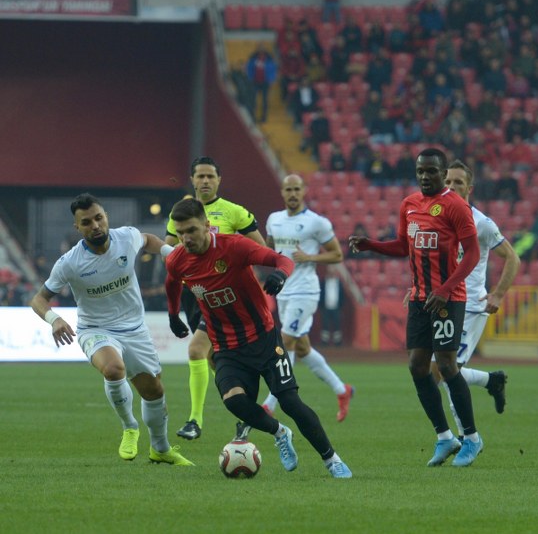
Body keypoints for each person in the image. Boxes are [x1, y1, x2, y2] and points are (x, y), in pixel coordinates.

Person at [164, 198, 352, 478]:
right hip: (226, 346)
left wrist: (280, 274)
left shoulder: (233, 246)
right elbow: (171, 283)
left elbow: (282, 259)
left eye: (191, 230)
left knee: (290, 402)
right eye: (180, 233)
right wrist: (172, 314)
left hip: (263, 339)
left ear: (207, 225)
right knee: (233, 400)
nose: (185, 238)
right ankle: (279, 433)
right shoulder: (178, 259)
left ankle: (331, 459)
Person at [30, 193, 193, 466]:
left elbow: (149, 239)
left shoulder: (126, 238)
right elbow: (38, 298)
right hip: (96, 329)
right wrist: (54, 319)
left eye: (98, 218)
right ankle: (130, 427)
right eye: (86, 222)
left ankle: (160, 449)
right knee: (114, 369)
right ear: (77, 228)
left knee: (153, 391)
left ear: (105, 217)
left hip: (135, 329)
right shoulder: (70, 262)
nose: (95, 225)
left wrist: (169, 253)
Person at [349, 148, 483, 467]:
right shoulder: (408, 204)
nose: (425, 177)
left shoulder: (456, 206)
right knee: (416, 366)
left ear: (441, 172)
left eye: (431, 171)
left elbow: (473, 254)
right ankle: (444, 437)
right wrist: (372, 246)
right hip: (421, 299)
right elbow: (402, 245)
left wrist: (447, 288)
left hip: (449, 299)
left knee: (448, 366)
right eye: (420, 171)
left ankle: (473, 439)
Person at [164, 156, 266, 442]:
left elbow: (260, 248)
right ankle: (247, 414)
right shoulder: (180, 214)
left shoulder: (234, 212)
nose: (205, 181)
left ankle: (194, 421)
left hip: (224, 297)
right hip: (193, 295)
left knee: (196, 349)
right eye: (200, 176)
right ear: (192, 180)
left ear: (219, 180)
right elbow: (170, 252)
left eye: (211, 176)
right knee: (213, 359)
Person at [252, 174, 353, 422]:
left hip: (306, 291)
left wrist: (310, 258)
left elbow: (337, 255)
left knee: (285, 341)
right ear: (283, 192)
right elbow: (270, 249)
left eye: (297, 189)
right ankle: (342, 390)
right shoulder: (274, 219)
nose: (293, 194)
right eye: (289, 190)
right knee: (303, 348)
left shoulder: (316, 223)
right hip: (284, 290)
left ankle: (269, 404)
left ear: (304, 191)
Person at [431, 160, 520, 438]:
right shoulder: (437, 219)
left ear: (469, 188)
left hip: (470, 307)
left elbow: (512, 258)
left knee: (445, 371)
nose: (451, 187)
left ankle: (466, 437)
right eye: (447, 182)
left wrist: (498, 294)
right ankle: (492, 380)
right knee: (435, 371)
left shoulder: (481, 223)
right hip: (443, 304)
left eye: (458, 182)